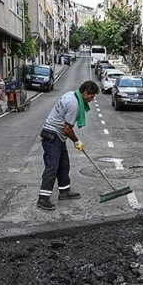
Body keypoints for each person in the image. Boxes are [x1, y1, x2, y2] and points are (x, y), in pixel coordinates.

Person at [37, 80, 99, 210]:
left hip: (57, 135)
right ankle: (43, 199)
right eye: (91, 96)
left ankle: (64, 191)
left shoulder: (71, 94)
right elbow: (67, 129)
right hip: (52, 136)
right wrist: (77, 141)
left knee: (63, 164)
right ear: (85, 93)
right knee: (52, 167)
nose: (92, 100)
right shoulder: (74, 105)